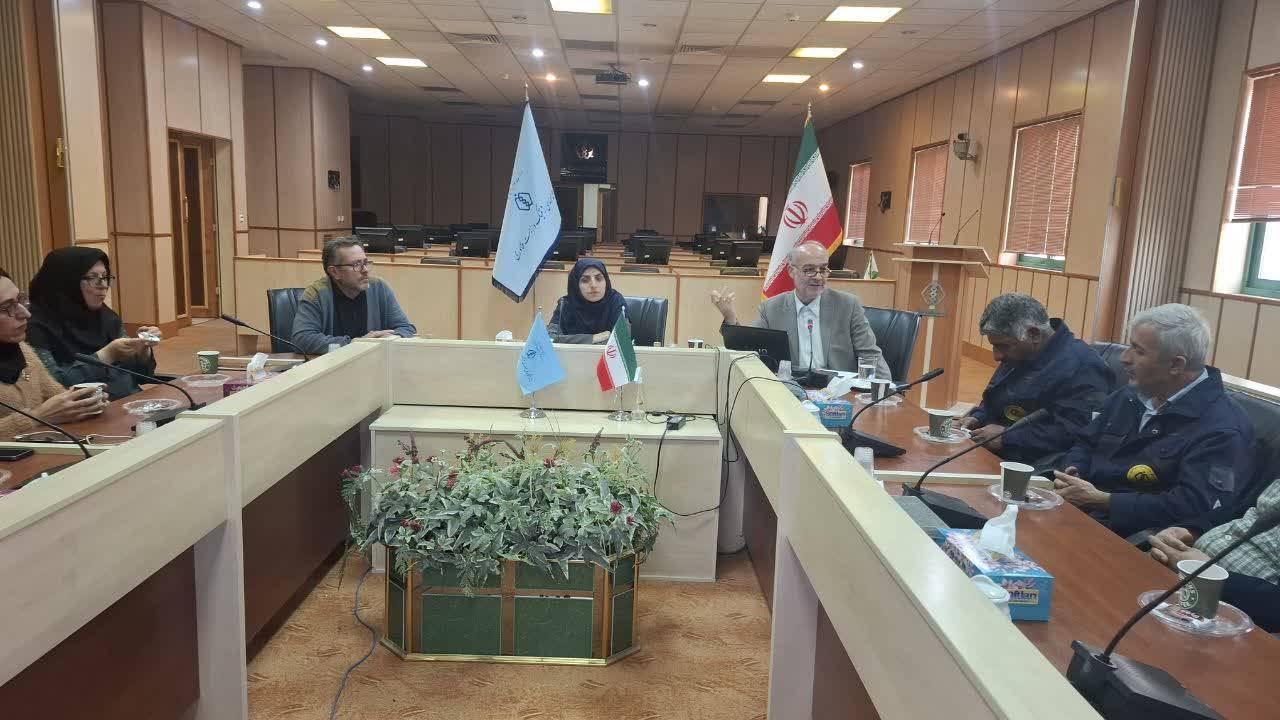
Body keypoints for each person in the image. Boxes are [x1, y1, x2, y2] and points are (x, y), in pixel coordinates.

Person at [1053, 304, 1254, 538]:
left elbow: (1194, 506)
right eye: (1129, 346)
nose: (1124, 358)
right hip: (1076, 511)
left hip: (1127, 536)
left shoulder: (1223, 428)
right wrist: (1073, 473)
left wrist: (1104, 501)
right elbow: (1085, 442)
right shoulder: (1131, 395)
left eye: (1138, 351)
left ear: (1176, 365)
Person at [958, 293, 1111, 466]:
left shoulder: (1084, 367)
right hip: (995, 452)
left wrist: (1008, 438)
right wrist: (978, 417)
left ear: (1034, 334)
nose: (996, 356)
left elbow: (1076, 433)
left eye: (1002, 346)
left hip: (1037, 466)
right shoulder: (1021, 351)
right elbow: (996, 397)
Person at [709, 241, 890, 378]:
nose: (818, 277)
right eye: (809, 270)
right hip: (791, 390)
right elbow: (749, 350)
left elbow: (870, 355)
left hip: (839, 392)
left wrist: (883, 393)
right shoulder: (772, 308)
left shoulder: (848, 305)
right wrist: (730, 318)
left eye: (823, 270)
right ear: (791, 271)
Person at [26, 247, 161, 400]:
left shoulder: (107, 318)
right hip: (82, 411)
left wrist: (142, 349)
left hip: (129, 404)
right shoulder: (34, 327)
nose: (103, 285)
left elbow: (142, 375)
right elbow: (54, 384)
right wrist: (105, 356)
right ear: (67, 282)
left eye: (105, 277)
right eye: (93, 278)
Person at [1147, 477, 1280, 632]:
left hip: (1235, 619)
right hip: (1178, 576)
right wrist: (1190, 531)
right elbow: (1244, 510)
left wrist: (1209, 574)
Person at [0, 268, 108, 437]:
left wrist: (82, 404)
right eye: (7, 307)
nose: (25, 313)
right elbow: (45, 415)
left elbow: (57, 397)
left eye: (20, 300)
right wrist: (37, 418)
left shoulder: (23, 350)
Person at [292, 237, 416, 355]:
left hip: (373, 363)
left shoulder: (379, 288)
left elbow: (406, 328)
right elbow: (302, 339)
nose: (365, 270)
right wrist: (355, 344)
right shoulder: (316, 294)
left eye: (365, 263)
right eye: (356, 265)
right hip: (332, 365)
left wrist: (392, 337)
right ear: (335, 272)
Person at [547, 259, 627, 344]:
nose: (593, 285)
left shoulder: (616, 301)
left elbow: (622, 339)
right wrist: (593, 338)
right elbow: (550, 338)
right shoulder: (566, 304)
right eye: (585, 280)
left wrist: (569, 340)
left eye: (599, 278)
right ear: (576, 284)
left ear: (606, 281)